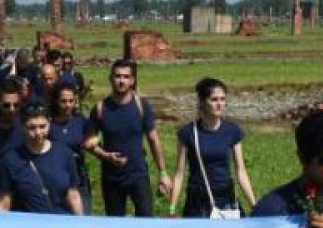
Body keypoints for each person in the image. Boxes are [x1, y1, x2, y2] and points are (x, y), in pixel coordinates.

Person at [84, 59, 171, 216]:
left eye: (125, 77)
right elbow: (89, 142)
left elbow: (153, 139)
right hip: (111, 179)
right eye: (117, 76)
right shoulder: (100, 109)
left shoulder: (142, 106)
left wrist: (163, 172)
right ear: (111, 78)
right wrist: (106, 156)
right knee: (116, 225)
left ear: (132, 80)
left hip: (138, 175)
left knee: (145, 221)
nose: (121, 81)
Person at [169, 77, 255, 217]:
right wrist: (172, 208)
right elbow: (179, 173)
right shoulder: (188, 133)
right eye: (214, 100)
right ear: (202, 102)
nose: (219, 104)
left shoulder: (232, 131)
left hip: (225, 198)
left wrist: (253, 204)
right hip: (198, 201)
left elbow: (241, 171)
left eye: (222, 99)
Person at [0, 101, 83, 215]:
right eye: (31, 127)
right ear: (22, 126)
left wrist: (80, 223)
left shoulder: (64, 153)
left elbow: (73, 194)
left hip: (61, 224)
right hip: (28, 225)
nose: (38, 133)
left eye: (42, 127)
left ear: (49, 123)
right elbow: (5, 201)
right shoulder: (11, 160)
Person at [49, 82, 92, 214]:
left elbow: (92, 140)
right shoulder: (49, 125)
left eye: (71, 101)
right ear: (56, 101)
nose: (68, 105)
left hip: (79, 178)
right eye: (63, 101)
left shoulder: (81, 121)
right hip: (57, 178)